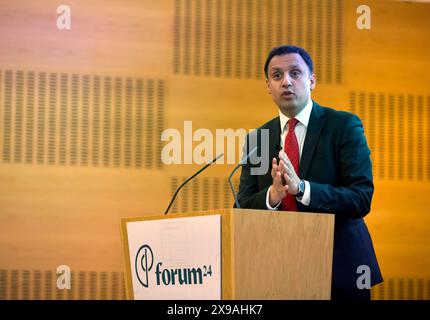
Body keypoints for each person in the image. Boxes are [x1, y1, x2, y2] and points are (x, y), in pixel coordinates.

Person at [237, 45, 383, 300]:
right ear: (268, 86)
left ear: (312, 80)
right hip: (274, 272)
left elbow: (361, 198)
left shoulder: (343, 126)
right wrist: (272, 196)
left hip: (338, 269)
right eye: (277, 75)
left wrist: (303, 189)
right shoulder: (257, 141)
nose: (286, 82)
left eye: (295, 73)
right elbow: (241, 208)